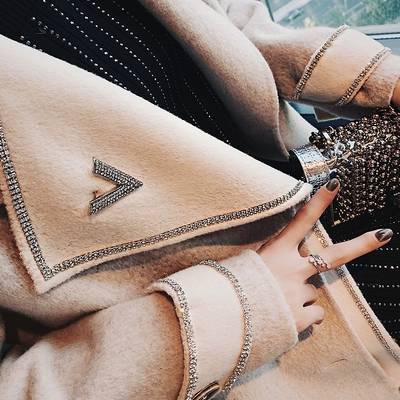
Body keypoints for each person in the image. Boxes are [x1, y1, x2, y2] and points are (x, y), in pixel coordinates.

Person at [0, 0, 400, 398]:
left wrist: (384, 78)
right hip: (299, 331)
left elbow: (227, 18)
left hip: (329, 172)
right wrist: (234, 310)